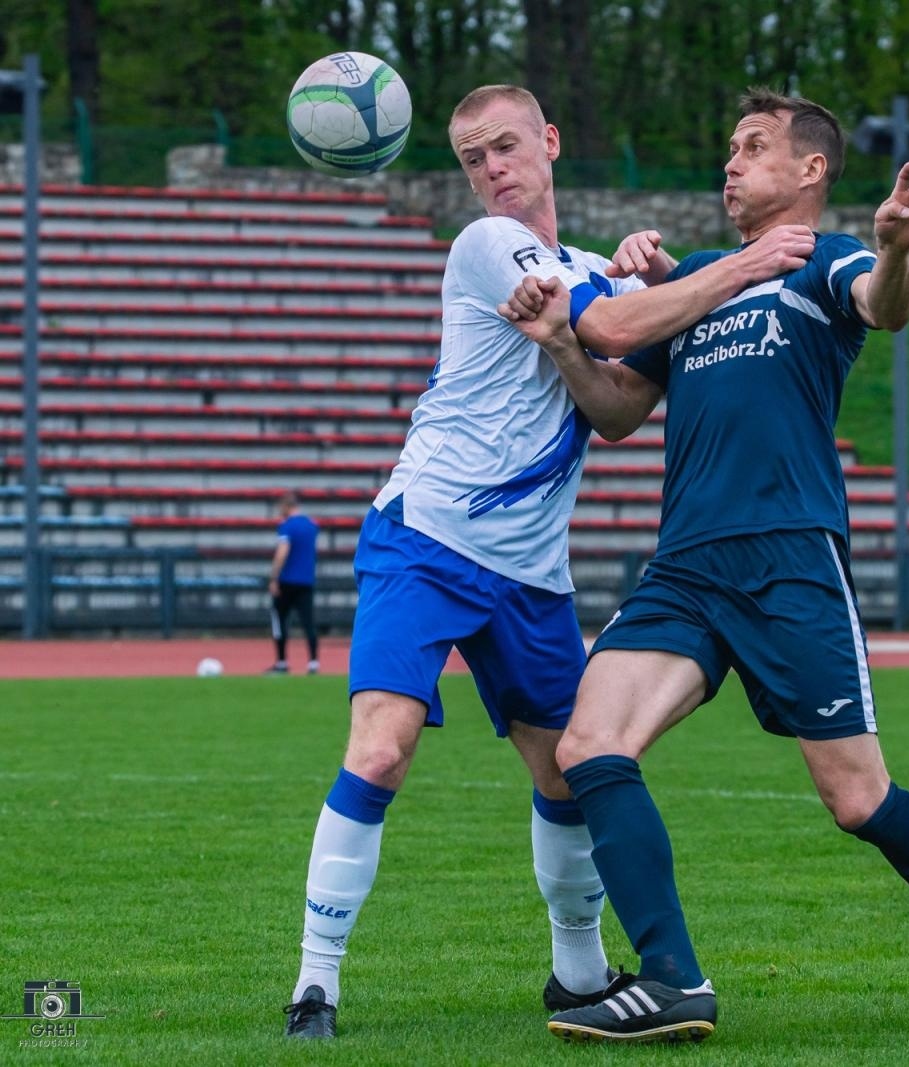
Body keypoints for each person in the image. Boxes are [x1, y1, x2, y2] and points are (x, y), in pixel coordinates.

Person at [498, 88, 909, 1043]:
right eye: (728, 147)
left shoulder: (823, 257)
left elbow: (881, 308)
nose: (730, 163)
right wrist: (564, 340)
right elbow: (613, 411)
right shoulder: (708, 281)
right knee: (587, 745)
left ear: (810, 171)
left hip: (788, 561)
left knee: (858, 799)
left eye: (753, 147)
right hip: (685, 566)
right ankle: (675, 980)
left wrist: (895, 249)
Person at [281, 84, 814, 1039]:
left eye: (505, 146)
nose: (491, 168)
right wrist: (731, 267)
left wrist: (631, 279)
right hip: (427, 538)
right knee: (384, 745)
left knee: (568, 769)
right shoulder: (484, 246)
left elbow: (614, 411)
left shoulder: (580, 268)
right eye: (471, 156)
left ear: (551, 142)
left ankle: (576, 974)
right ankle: (315, 983)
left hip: (531, 573)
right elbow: (613, 328)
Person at [266, 491, 321, 675]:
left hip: (287, 581)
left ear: (286, 506)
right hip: (306, 580)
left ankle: (281, 662)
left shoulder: (287, 527)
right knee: (308, 622)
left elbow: (283, 551)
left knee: (280, 621)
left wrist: (274, 577)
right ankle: (313, 662)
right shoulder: (311, 525)